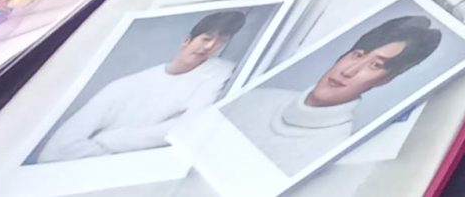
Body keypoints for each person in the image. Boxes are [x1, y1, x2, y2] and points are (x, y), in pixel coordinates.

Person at [221, 14, 444, 174]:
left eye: (375, 65)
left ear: (386, 80)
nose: (349, 71)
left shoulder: (332, 151)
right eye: (358, 54)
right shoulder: (256, 97)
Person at [35, 9, 249, 160]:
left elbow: (189, 126)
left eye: (220, 42)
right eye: (206, 38)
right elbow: (56, 150)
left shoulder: (218, 73)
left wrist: (110, 140)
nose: (210, 46)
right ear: (187, 40)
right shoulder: (125, 86)